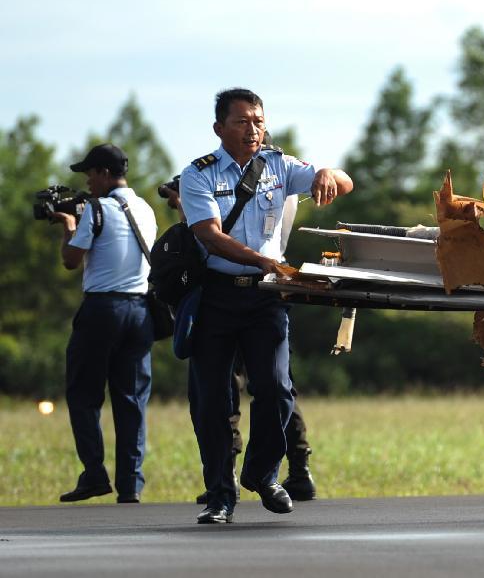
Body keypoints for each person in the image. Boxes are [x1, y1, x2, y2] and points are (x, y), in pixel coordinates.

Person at [179, 88, 352, 524]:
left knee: (276, 388)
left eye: (258, 121)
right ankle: (220, 496)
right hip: (217, 295)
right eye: (242, 121)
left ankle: (262, 473)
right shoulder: (198, 174)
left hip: (267, 297)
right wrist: (260, 259)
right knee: (213, 402)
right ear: (220, 128)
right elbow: (208, 233)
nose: (253, 129)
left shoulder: (278, 165)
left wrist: (329, 172)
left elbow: (345, 184)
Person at [161, 179, 317, 504]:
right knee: (277, 389)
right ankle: (296, 469)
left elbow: (209, 238)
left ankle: (228, 475)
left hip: (242, 284)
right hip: (272, 288)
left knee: (222, 392)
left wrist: (186, 204)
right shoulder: (283, 192)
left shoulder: (237, 187)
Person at [54, 143, 157, 504]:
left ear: (103, 173)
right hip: (140, 311)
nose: (87, 181)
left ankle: (94, 474)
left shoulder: (96, 209)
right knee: (131, 400)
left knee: (83, 395)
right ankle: (131, 485)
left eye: (89, 174)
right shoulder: (145, 208)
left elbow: (71, 260)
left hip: (102, 310)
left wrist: (68, 225)